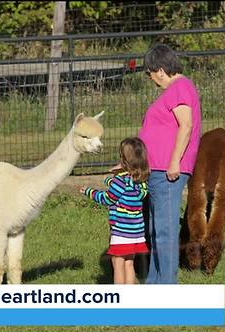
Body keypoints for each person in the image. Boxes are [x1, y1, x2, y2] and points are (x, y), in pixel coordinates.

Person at [138, 43, 202, 284]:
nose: (154, 80)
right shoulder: (176, 90)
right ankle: (155, 281)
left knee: (164, 230)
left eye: (152, 75)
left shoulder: (179, 88)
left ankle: (167, 286)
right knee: (156, 228)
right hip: (158, 170)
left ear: (161, 70)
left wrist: (174, 162)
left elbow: (186, 125)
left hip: (167, 171)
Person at [80, 137, 150, 284]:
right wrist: (110, 179)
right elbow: (122, 187)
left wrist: (89, 191)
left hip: (121, 231)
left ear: (123, 159)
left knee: (117, 264)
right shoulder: (141, 182)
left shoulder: (119, 181)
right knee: (129, 264)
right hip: (136, 231)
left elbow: (107, 198)